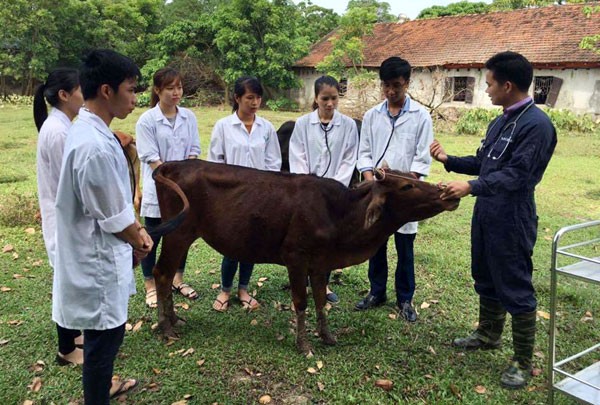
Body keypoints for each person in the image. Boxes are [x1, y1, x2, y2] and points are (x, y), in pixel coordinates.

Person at [430, 51, 557, 389]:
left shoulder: (537, 126)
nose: (486, 90)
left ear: (508, 84)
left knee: (514, 283)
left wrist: (470, 187)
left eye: (489, 84)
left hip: (512, 216)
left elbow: (518, 176)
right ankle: (488, 334)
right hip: (487, 211)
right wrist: (449, 160)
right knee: (484, 274)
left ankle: (522, 360)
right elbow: (486, 162)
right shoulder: (500, 120)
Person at [53, 49, 153, 404]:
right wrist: (141, 240)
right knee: (101, 345)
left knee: (102, 344)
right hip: (96, 262)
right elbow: (112, 215)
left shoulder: (90, 132)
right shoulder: (93, 145)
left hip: (98, 255)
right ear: (107, 91)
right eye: (131, 89)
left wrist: (133, 232)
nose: (136, 98)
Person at [354, 56, 433, 323]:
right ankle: (377, 292)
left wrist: (401, 184)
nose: (390, 91)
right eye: (386, 85)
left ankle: (405, 299)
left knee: (405, 247)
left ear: (407, 83)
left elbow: (422, 160)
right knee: (375, 244)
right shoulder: (371, 116)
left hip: (404, 195)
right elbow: (364, 153)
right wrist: (369, 179)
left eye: (397, 85)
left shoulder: (421, 117)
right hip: (376, 192)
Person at [208, 76, 282, 312]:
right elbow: (215, 162)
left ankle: (244, 289)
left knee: (253, 243)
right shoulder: (223, 126)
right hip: (232, 197)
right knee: (232, 245)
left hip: (260, 197)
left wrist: (266, 192)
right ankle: (225, 290)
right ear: (237, 98)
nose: (255, 102)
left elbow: (273, 163)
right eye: (250, 97)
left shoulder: (266, 128)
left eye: (258, 97)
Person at [288, 75, 359, 304]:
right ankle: (303, 281)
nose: (330, 104)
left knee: (329, 240)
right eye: (325, 98)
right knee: (305, 237)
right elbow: (297, 155)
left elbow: (350, 159)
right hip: (307, 194)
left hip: (335, 194)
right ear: (316, 98)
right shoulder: (302, 124)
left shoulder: (348, 125)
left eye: (334, 98)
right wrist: (309, 187)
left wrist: (333, 188)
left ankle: (324, 284)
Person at [136, 67, 201, 308]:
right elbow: (153, 160)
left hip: (184, 192)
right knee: (151, 238)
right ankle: (150, 286)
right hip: (158, 190)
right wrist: (178, 182)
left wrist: (187, 182)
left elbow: (194, 151)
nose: (176, 93)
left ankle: (177, 278)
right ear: (157, 90)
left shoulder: (189, 117)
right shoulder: (147, 121)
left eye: (179, 87)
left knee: (181, 237)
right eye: (170, 88)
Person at [34, 68, 85, 366]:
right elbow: (71, 183)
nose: (85, 93)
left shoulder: (61, 126)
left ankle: (75, 335)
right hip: (63, 221)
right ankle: (66, 348)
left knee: (70, 280)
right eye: (81, 89)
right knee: (65, 283)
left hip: (63, 218)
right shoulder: (58, 132)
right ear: (65, 95)